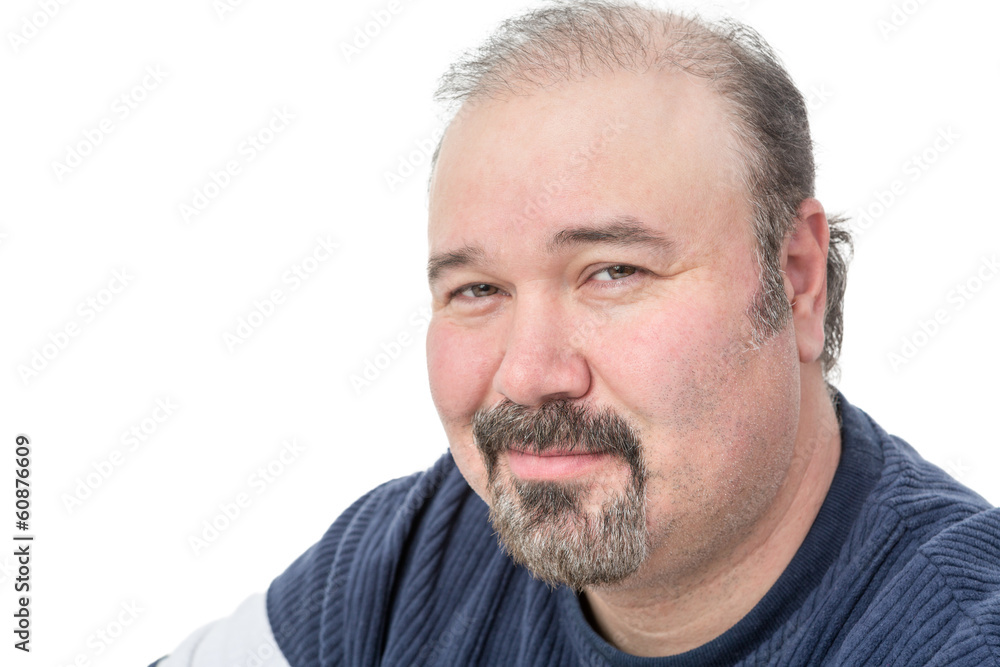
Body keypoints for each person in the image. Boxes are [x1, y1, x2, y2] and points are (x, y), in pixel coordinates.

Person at [151, 2, 1000, 664]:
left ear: (797, 279)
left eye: (612, 272)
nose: (528, 373)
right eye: (477, 288)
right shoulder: (412, 560)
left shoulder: (961, 635)